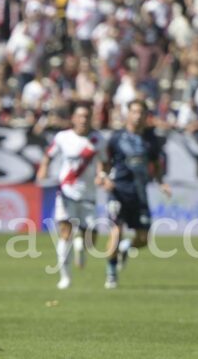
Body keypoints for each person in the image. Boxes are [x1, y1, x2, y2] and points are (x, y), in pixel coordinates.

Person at [100, 100, 171, 289]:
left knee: (143, 239)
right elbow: (105, 161)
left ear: (146, 115)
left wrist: (161, 182)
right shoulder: (117, 138)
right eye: (134, 111)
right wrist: (103, 177)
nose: (137, 116)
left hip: (139, 193)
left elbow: (156, 165)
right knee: (116, 231)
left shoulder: (150, 139)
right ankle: (111, 273)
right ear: (128, 114)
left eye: (141, 112)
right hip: (118, 191)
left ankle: (125, 248)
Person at [36, 104, 107, 290]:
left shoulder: (98, 139)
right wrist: (43, 170)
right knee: (65, 233)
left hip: (89, 194)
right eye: (80, 116)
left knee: (92, 238)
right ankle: (65, 277)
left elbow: (104, 162)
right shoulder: (63, 138)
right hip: (66, 191)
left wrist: (102, 175)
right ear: (73, 119)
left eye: (87, 116)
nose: (83, 120)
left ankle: (81, 246)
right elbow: (48, 155)